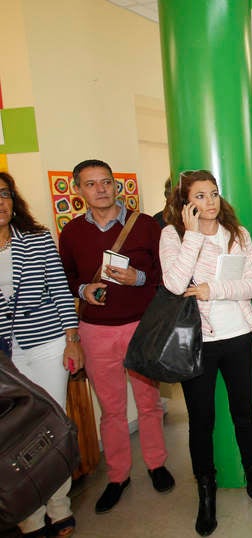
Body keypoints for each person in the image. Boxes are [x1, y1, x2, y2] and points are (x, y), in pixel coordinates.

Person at [160, 170, 252, 535]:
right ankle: (206, 493)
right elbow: (175, 284)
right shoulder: (172, 235)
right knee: (202, 420)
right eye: (199, 196)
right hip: (197, 342)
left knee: (245, 413)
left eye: (213, 193)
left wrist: (214, 289)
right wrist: (193, 237)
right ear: (184, 203)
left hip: (237, 335)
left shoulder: (238, 234)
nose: (209, 202)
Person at [59, 159, 173, 514]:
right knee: (111, 410)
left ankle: (156, 464)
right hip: (95, 331)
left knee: (149, 403)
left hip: (141, 326)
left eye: (106, 182)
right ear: (79, 191)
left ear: (116, 185)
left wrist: (136, 279)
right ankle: (118, 476)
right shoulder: (72, 233)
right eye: (91, 184)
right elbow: (67, 280)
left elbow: (163, 274)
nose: (101, 189)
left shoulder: (145, 227)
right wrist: (84, 289)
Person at [0, 172, 83, 538]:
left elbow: (62, 293)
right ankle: (29, 518)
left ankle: (59, 506)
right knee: (9, 438)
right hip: (5, 358)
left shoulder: (36, 240)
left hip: (48, 343)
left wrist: (72, 339)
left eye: (3, 194)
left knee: (51, 427)